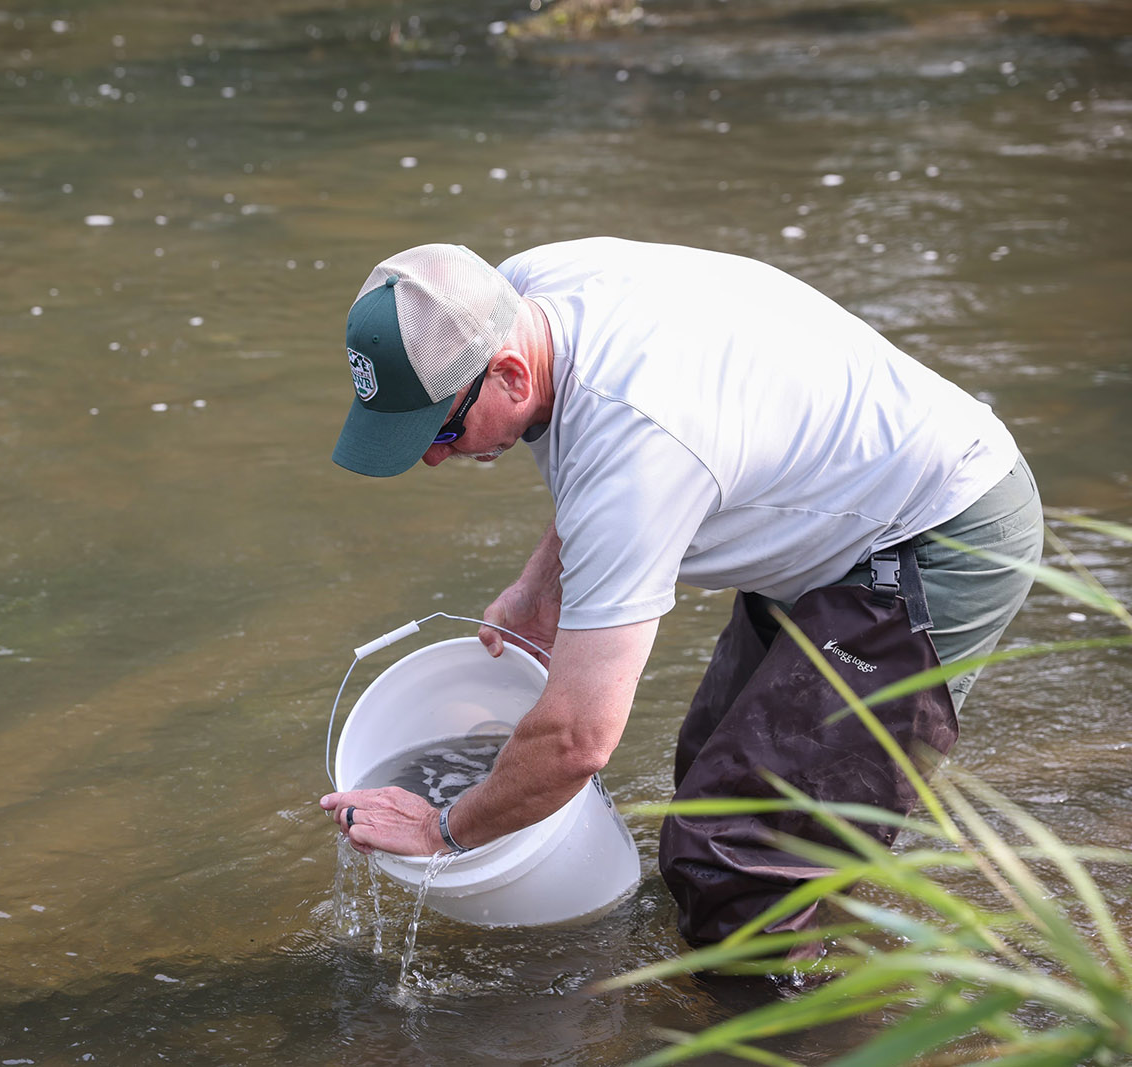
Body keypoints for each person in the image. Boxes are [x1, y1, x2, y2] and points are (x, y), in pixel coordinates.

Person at [317, 238, 1043, 948]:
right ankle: (798, 939)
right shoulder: (512, 296)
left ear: (509, 373)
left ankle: (798, 1035)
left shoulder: (636, 444)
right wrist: (544, 585)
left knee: (736, 857)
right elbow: (593, 459)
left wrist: (442, 829)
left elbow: (577, 739)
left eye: (441, 428)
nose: (437, 457)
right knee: (709, 771)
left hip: (938, 533)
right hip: (832, 510)